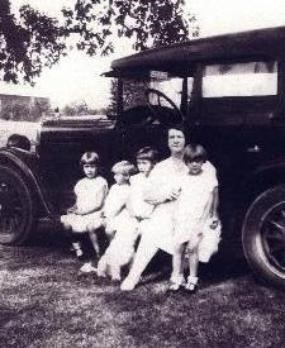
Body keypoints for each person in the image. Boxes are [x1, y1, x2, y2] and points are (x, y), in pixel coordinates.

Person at [120, 125, 217, 291]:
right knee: (152, 231)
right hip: (167, 210)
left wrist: (213, 215)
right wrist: (165, 195)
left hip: (196, 213)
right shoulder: (161, 167)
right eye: (172, 137)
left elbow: (213, 193)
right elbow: (147, 195)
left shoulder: (203, 165)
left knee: (204, 239)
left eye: (179, 136)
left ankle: (182, 274)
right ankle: (134, 275)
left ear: (186, 139)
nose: (176, 140)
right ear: (167, 141)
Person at [97, 147, 157, 280]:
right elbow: (129, 200)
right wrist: (133, 215)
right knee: (123, 236)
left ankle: (134, 268)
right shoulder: (135, 179)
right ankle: (118, 264)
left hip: (150, 215)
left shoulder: (157, 178)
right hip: (134, 215)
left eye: (144, 163)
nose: (141, 166)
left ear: (153, 164)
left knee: (133, 235)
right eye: (139, 163)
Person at [170, 144, 219, 293]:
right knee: (178, 248)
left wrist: (210, 216)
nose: (195, 164)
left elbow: (213, 198)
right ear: (186, 162)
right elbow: (179, 198)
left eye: (198, 161)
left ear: (203, 161)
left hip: (199, 218)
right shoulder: (183, 178)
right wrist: (175, 217)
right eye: (191, 161)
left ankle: (192, 279)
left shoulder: (208, 177)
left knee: (192, 248)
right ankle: (177, 278)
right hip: (183, 217)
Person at [60, 151, 108, 272]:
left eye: (92, 166)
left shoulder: (101, 182)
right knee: (66, 223)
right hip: (82, 212)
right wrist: (74, 207)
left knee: (89, 225)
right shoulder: (81, 183)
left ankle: (98, 253)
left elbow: (99, 204)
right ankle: (77, 248)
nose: (89, 170)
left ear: (98, 167)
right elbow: (80, 200)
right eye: (86, 167)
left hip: (95, 212)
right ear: (82, 168)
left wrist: (84, 212)